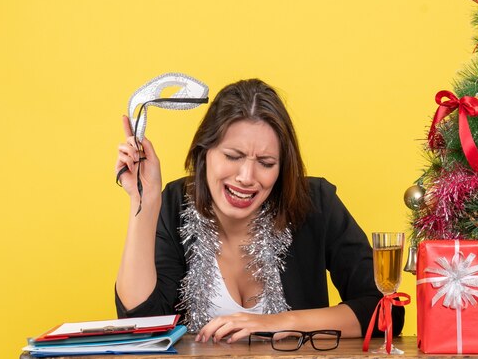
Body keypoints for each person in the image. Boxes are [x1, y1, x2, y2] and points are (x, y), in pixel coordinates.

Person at [114, 79, 404, 344]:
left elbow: (386, 310)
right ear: (205, 153)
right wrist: (145, 201)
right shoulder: (176, 204)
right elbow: (142, 324)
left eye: (265, 163)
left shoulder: (314, 202)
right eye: (232, 156)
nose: (246, 177)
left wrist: (279, 323)